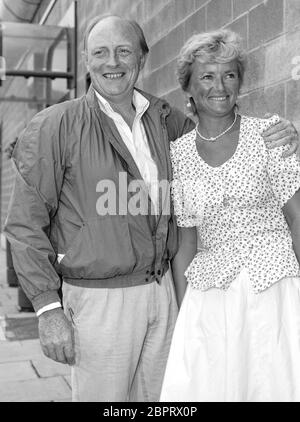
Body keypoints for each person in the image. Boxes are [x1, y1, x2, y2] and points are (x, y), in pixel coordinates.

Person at [3, 16, 299, 402]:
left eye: (124, 51)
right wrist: (46, 308)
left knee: (170, 402)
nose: (113, 62)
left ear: (141, 59)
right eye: (101, 53)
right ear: (86, 61)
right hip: (100, 302)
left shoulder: (166, 121)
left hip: (163, 296)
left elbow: (217, 132)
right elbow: (24, 224)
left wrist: (286, 133)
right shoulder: (56, 125)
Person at [160, 29, 300, 402]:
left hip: (274, 288)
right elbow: (186, 241)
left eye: (229, 74)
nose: (219, 86)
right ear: (188, 87)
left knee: (274, 384)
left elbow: (298, 219)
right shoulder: (179, 155)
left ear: (240, 82)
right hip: (211, 294)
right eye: (207, 75)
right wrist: (183, 311)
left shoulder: (269, 135)